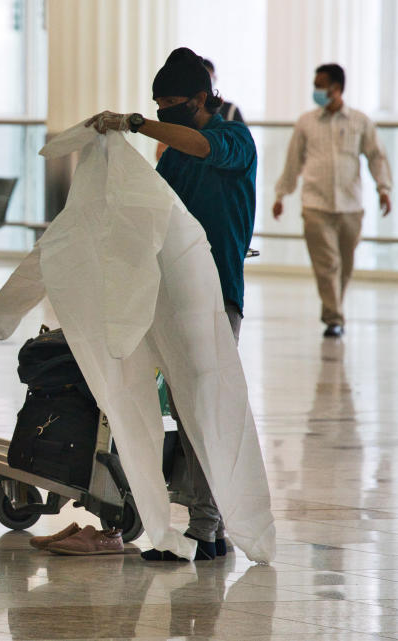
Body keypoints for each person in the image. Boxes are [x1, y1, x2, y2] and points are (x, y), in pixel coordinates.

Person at [87, 47, 257, 561]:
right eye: (156, 106)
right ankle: (209, 527)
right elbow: (156, 212)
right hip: (174, 297)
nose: (163, 113)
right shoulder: (176, 155)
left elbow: (203, 145)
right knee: (188, 414)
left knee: (202, 412)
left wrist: (138, 124)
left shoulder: (233, 139)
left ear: (202, 99)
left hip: (215, 297)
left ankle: (207, 529)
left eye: (172, 105)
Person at [273, 63, 392, 338]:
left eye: (320, 85)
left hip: (351, 206)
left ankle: (335, 309)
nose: (316, 90)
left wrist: (383, 189)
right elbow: (294, 161)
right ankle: (334, 318)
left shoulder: (360, 122)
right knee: (327, 264)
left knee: (344, 265)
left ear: (337, 88)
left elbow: (376, 156)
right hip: (315, 204)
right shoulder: (306, 122)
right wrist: (282, 193)